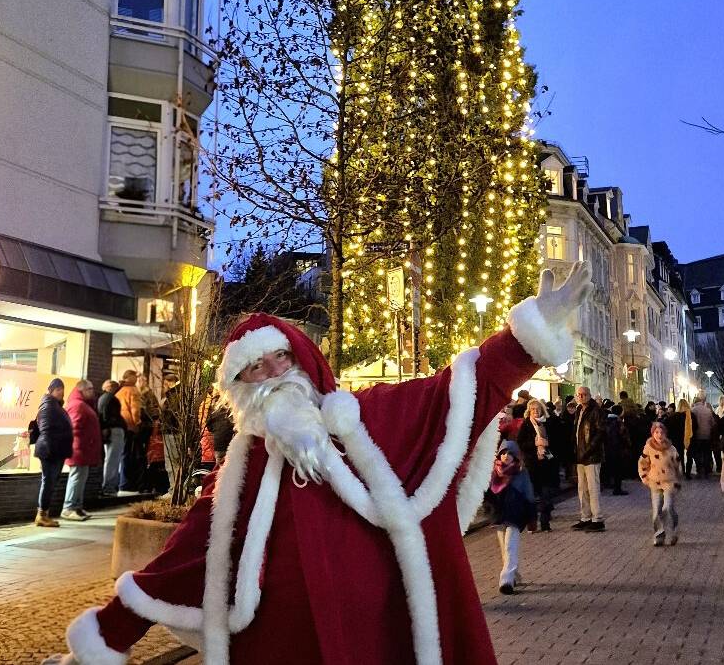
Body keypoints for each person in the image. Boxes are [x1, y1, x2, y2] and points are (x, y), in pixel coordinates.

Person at [51, 261, 593, 665]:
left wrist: (525, 341)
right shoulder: (238, 475)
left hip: (382, 643)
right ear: (238, 391)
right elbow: (176, 563)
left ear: (303, 360)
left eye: (280, 358)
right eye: (255, 370)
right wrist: (99, 642)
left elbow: (451, 394)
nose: (273, 375)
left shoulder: (370, 419)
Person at [482, 440, 536, 594]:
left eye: (510, 453)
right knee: (504, 550)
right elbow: (486, 495)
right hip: (499, 516)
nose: (506, 456)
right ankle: (513, 575)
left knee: (510, 546)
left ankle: (506, 580)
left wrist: (532, 518)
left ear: (516, 456)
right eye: (503, 453)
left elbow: (529, 496)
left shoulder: (521, 473)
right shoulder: (493, 472)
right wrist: (489, 510)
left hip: (515, 515)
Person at [33, 378, 73, 528]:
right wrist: (52, 449)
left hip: (55, 450)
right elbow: (46, 429)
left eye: (62, 389)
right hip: (51, 451)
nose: (61, 392)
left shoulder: (54, 405)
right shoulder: (48, 406)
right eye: (58, 389)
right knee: (48, 482)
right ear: (50, 390)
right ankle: (42, 515)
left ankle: (44, 514)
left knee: (50, 482)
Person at [61, 380, 102, 521]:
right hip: (78, 449)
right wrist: (83, 443)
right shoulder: (78, 405)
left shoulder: (82, 404)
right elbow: (73, 428)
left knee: (80, 478)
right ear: (82, 390)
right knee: (77, 478)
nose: (92, 391)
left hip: (83, 448)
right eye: (90, 389)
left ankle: (76, 507)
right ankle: (68, 508)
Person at [638, 420, 682, 546]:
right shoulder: (648, 448)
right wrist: (644, 477)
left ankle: (674, 530)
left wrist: (679, 479)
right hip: (655, 482)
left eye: (661, 432)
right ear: (653, 433)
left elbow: (677, 465)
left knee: (668, 507)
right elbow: (642, 463)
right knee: (656, 510)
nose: (659, 435)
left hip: (669, 481)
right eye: (656, 432)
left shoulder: (671, 449)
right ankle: (659, 534)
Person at [517, 399, 555, 530]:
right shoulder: (526, 425)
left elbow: (556, 440)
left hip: (546, 463)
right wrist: (534, 444)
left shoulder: (548, 423)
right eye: (533, 409)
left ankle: (545, 522)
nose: (536, 411)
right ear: (529, 411)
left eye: (538, 409)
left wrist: (548, 444)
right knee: (531, 496)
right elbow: (520, 443)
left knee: (546, 495)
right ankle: (531, 523)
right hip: (532, 463)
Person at [572, 384, 605, 531]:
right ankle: (585, 517)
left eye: (584, 394)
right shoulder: (579, 410)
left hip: (592, 456)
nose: (581, 397)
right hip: (580, 455)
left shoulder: (595, 411)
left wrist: (589, 449)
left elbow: (600, 433)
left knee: (593, 488)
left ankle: (597, 519)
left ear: (589, 395)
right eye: (579, 395)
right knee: (582, 488)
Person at [116, 371, 143, 493]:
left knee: (122, 454)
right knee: (129, 455)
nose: (137, 379)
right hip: (130, 426)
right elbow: (135, 410)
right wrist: (137, 423)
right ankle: (126, 483)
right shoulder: (133, 390)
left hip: (121, 425)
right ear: (129, 377)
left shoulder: (119, 390)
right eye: (135, 376)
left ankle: (120, 482)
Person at [98, 380, 126, 496]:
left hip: (110, 431)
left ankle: (108, 486)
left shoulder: (102, 398)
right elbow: (109, 416)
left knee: (110, 460)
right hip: (114, 431)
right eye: (115, 387)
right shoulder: (111, 399)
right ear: (110, 387)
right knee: (113, 460)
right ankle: (109, 487)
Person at [603, 403, 630, 495]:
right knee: (618, 469)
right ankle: (617, 489)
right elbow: (622, 437)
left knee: (608, 468)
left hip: (607, 449)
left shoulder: (605, 420)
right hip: (617, 449)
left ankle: (608, 483)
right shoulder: (618, 422)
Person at [690, 393, 716, 478]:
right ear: (702, 401)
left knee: (698, 453)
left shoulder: (693, 410)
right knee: (706, 453)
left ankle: (699, 469)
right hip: (707, 435)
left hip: (697, 436)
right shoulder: (708, 410)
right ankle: (707, 469)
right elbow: (712, 423)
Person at [666, 399, 692, 476]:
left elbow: (667, 426)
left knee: (675, 455)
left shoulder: (674, 416)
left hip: (675, 438)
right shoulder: (689, 415)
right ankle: (685, 470)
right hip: (685, 437)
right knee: (684, 455)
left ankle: (676, 470)